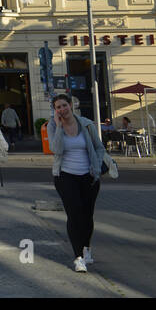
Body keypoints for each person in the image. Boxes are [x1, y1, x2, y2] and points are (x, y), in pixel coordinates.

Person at [47, 94, 117, 272]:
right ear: (55, 110)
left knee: (87, 217)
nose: (62, 109)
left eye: (64, 105)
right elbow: (55, 149)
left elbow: (99, 147)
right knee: (75, 215)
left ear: (71, 105)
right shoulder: (54, 125)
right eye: (58, 107)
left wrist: (96, 165)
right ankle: (78, 258)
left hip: (89, 176)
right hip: (65, 176)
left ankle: (86, 249)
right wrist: (59, 127)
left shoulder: (86, 124)